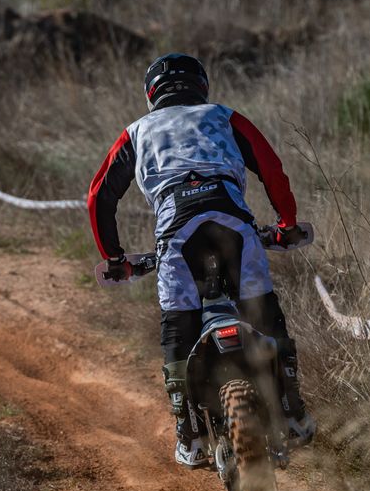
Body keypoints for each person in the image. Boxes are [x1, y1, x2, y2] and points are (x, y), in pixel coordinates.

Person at [86, 53, 316, 468]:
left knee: (180, 326)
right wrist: (286, 224)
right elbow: (271, 168)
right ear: (201, 85)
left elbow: (99, 195)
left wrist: (115, 258)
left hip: (177, 235)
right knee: (264, 314)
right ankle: (294, 411)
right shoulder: (225, 116)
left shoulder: (136, 132)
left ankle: (189, 434)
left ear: (150, 93)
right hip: (234, 224)